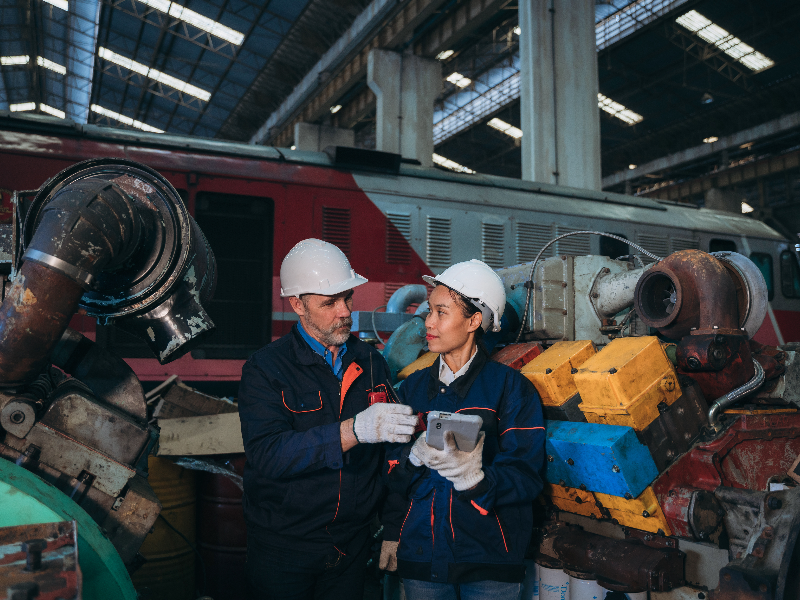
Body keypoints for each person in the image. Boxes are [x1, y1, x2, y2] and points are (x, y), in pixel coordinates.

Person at [238, 238, 418, 600]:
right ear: (297, 305)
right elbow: (269, 455)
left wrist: (394, 529)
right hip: (284, 549)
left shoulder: (371, 362)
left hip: (351, 547)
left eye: (347, 297)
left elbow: (392, 455)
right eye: (329, 302)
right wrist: (354, 430)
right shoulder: (266, 369)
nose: (344, 311)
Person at [379, 259, 545, 600]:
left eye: (442, 312)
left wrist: (477, 480)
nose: (428, 322)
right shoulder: (411, 390)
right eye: (429, 311)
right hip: (422, 557)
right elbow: (390, 476)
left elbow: (526, 475)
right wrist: (411, 461)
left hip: (489, 562)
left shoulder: (511, 389)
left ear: (474, 321)